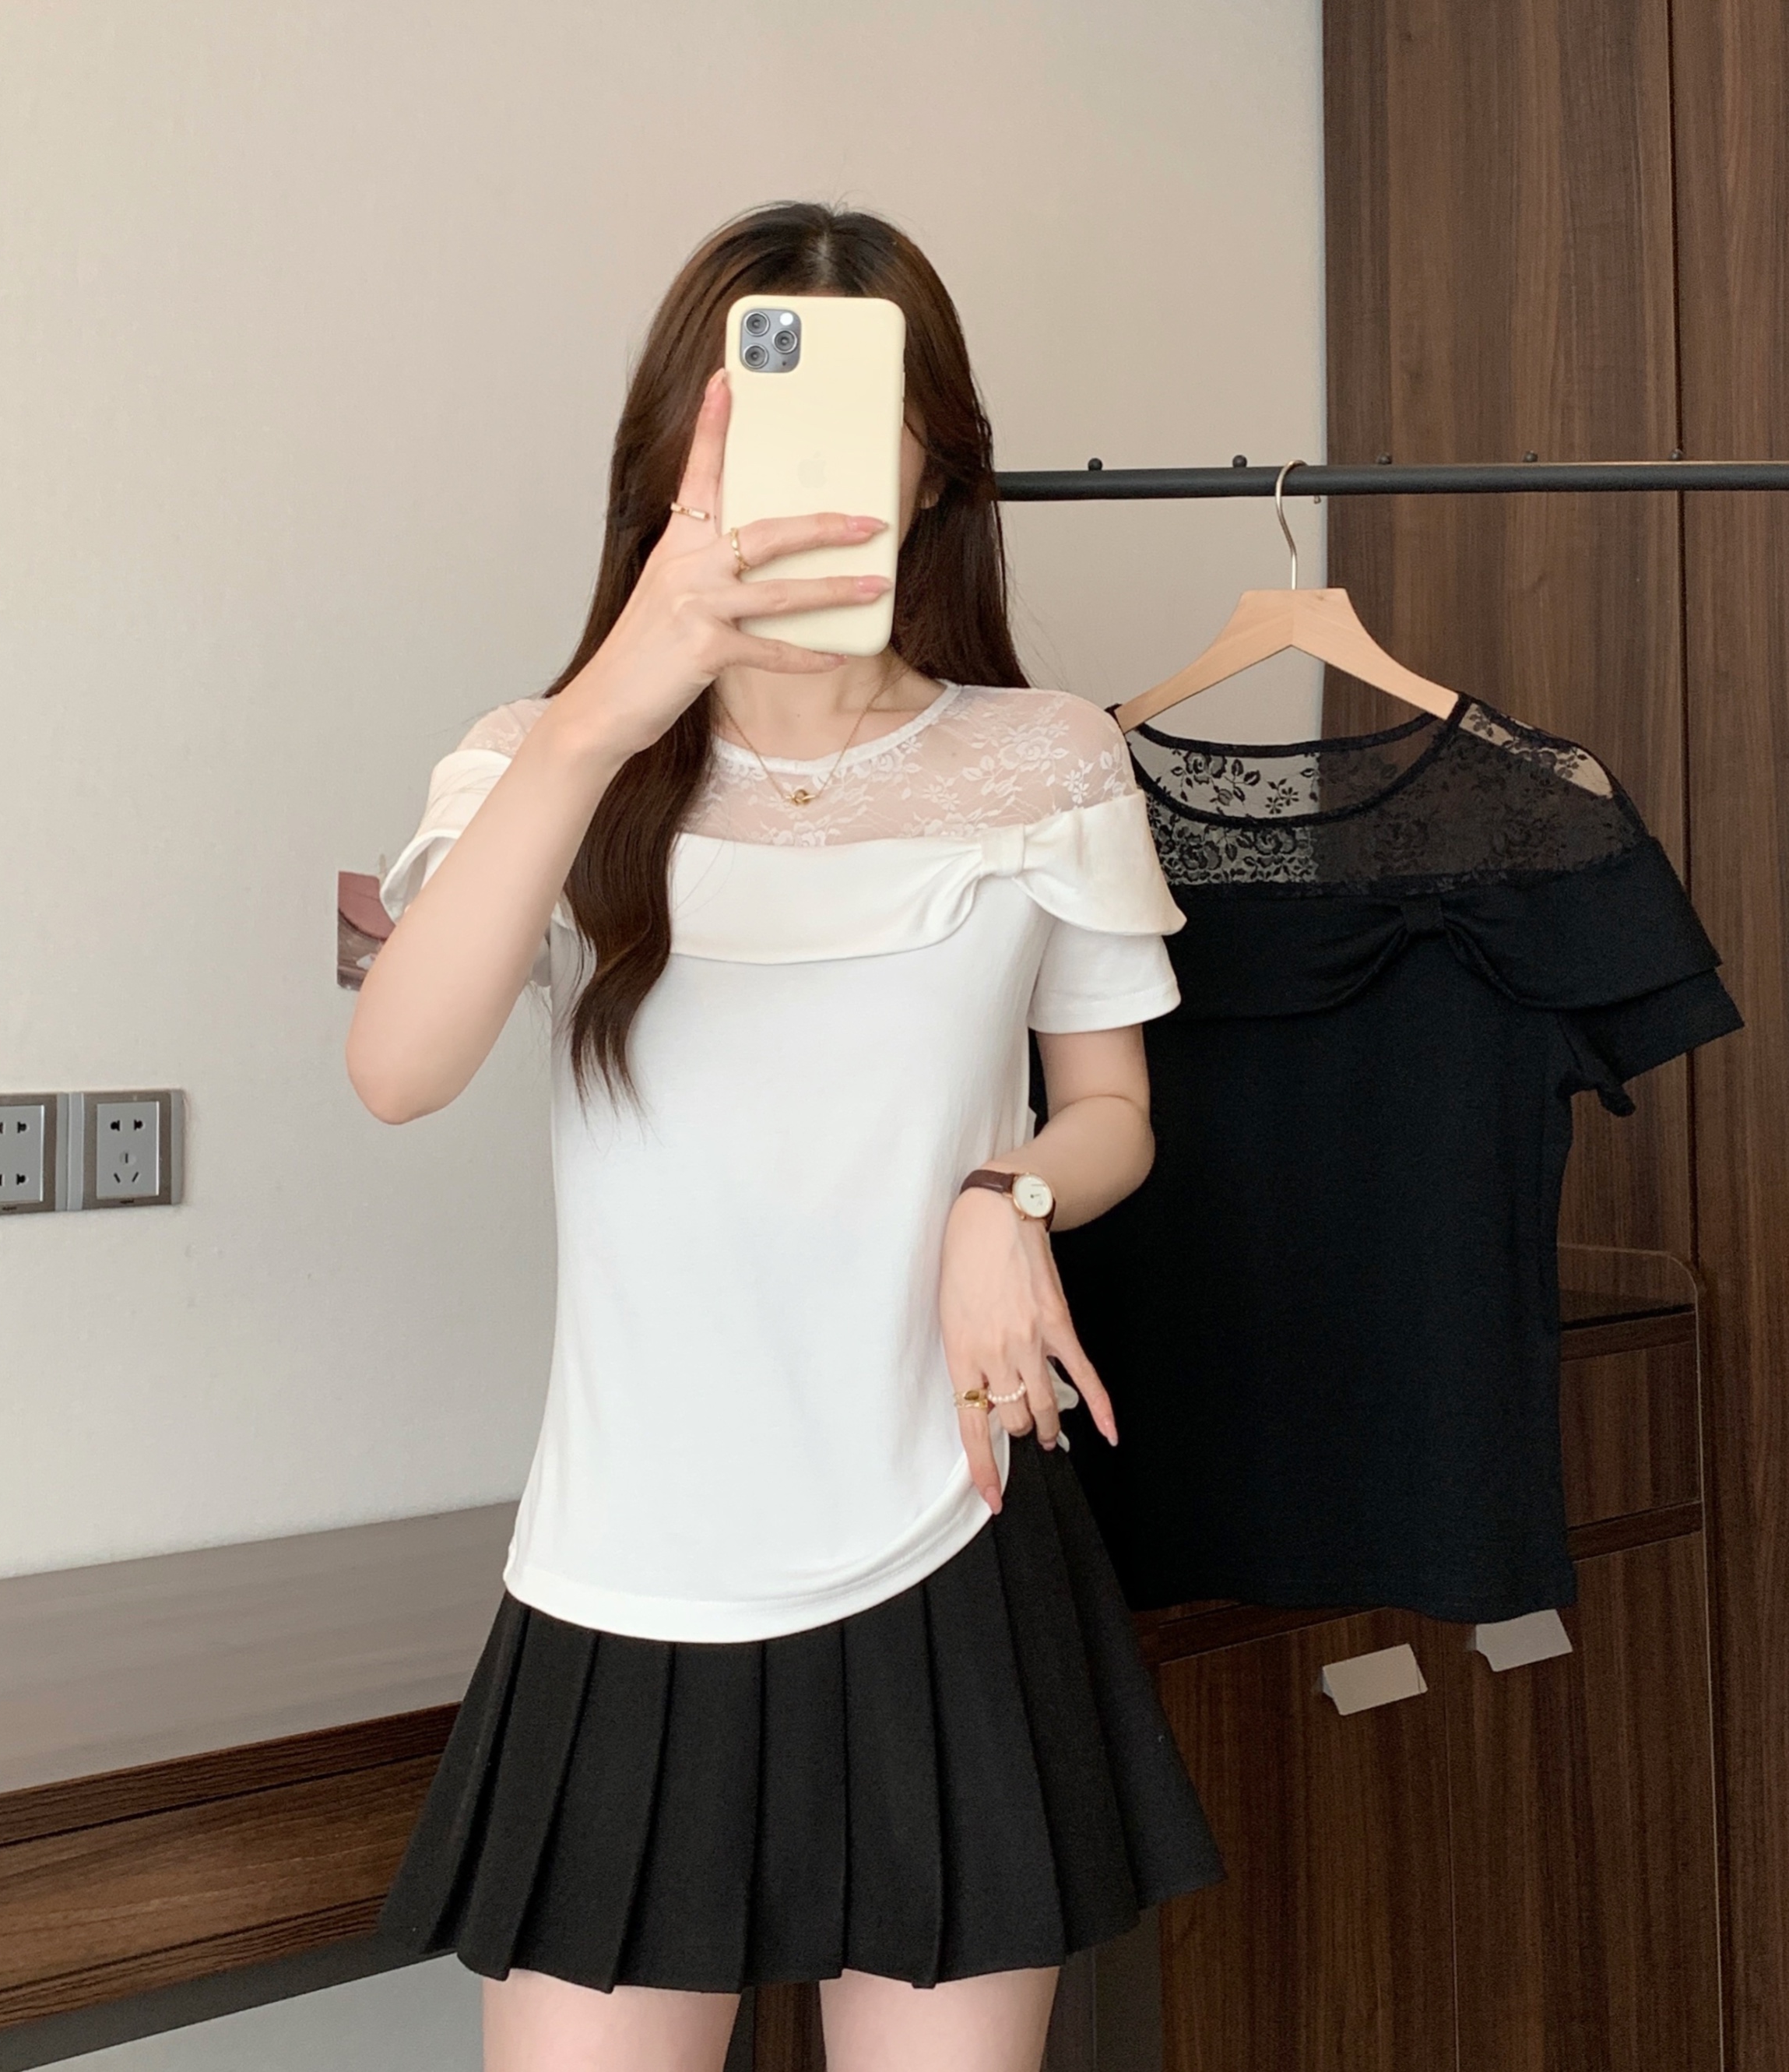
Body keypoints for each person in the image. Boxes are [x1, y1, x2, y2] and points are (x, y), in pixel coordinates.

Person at [348, 201, 1220, 2072]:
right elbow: (397, 1067)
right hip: (627, 1567)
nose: (795, 469)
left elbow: (1111, 1112)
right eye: (742, 417)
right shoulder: (537, 756)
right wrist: (601, 716)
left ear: (932, 468)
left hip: (952, 1544)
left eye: (851, 418)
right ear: (669, 457)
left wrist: (1006, 1189)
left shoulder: (1046, 754)